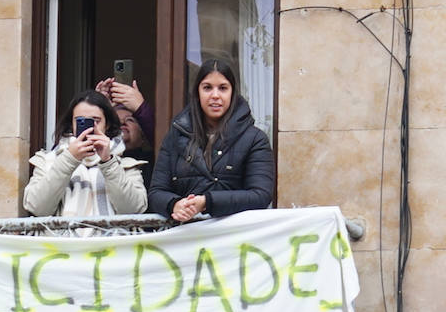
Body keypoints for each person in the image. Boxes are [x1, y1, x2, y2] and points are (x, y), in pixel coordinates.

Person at [148, 59, 273, 223]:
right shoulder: (175, 136)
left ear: (233, 93)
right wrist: (175, 205)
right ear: (197, 93)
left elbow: (260, 195)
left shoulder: (255, 139)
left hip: (236, 237)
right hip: (184, 237)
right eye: (207, 88)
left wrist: (207, 202)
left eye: (223, 88)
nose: (215, 95)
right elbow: (157, 192)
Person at [23, 90, 147, 218]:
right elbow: (37, 208)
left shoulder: (126, 165)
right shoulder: (48, 161)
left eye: (96, 121)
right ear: (71, 123)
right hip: (62, 237)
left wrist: (108, 162)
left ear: (107, 125)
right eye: (80, 121)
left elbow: (133, 210)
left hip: (111, 237)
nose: (89, 128)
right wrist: (69, 159)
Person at [97, 77, 155, 187]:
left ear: (143, 137)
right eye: (116, 121)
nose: (122, 123)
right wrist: (96, 109)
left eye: (130, 120)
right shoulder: (92, 158)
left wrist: (141, 108)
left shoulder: (154, 162)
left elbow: (163, 141)